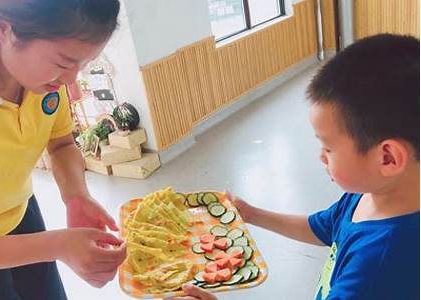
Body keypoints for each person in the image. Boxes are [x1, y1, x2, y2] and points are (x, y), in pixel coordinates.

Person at [168, 34, 420, 300]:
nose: (321, 157)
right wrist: (252, 214)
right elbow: (321, 227)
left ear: (388, 158)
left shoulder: (378, 266)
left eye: (328, 148)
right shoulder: (371, 193)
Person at [0, 0, 127, 299]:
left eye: (83, 64)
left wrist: (76, 196)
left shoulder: (44, 80)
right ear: (2, 28)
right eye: (64, 63)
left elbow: (61, 144)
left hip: (20, 211)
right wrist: (57, 245)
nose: (72, 82)